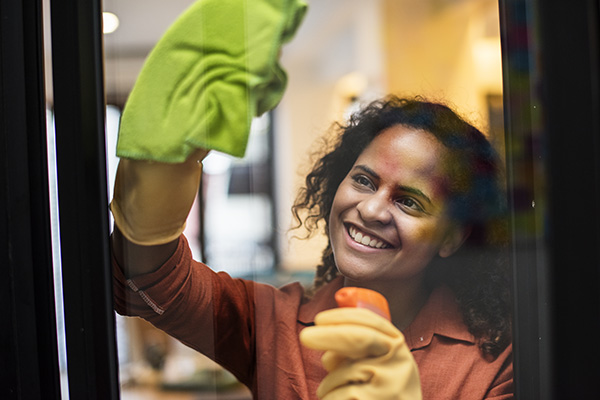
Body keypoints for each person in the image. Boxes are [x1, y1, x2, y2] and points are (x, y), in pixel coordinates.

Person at [111, 95, 513, 399]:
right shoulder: (273, 323)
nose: (371, 209)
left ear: (451, 237)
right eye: (364, 181)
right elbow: (153, 282)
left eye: (408, 201)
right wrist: (159, 172)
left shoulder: (495, 361)